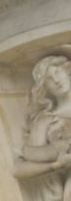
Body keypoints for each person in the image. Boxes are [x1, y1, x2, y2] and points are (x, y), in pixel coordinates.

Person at [13, 55, 71, 201]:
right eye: (49, 80)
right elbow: (19, 169)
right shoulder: (46, 121)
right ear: (44, 89)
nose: (57, 81)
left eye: (58, 73)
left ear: (67, 72)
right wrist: (56, 165)